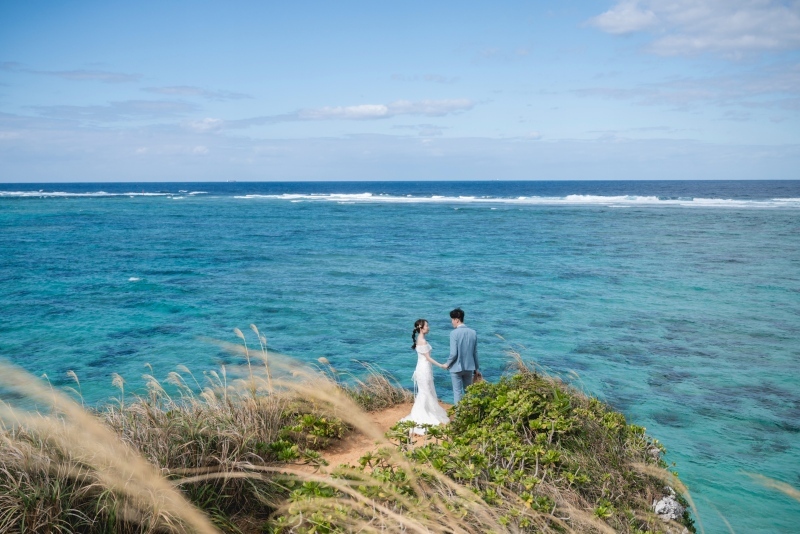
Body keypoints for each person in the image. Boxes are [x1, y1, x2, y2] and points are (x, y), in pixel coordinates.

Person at [399, 319, 450, 435]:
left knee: (425, 391)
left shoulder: (420, 339)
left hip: (422, 368)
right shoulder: (422, 341)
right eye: (427, 325)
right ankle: (423, 415)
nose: (428, 327)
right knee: (425, 392)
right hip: (424, 369)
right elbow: (428, 358)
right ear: (421, 328)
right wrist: (441, 365)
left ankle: (426, 412)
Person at [445, 308, 479, 404]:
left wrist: (447, 364)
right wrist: (476, 368)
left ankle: (459, 415)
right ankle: (469, 413)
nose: (452, 322)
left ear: (457, 319)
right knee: (469, 392)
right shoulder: (473, 332)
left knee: (457, 393)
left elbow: (453, 353)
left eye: (452, 319)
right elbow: (475, 352)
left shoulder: (453, 333)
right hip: (469, 367)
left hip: (456, 368)